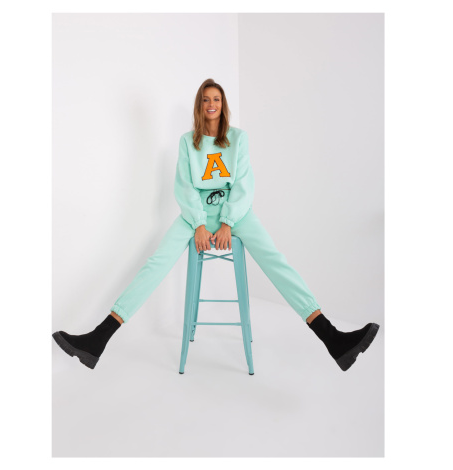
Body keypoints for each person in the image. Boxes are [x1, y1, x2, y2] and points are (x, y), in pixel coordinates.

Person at [53, 78, 380, 372]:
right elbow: (185, 186)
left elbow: (243, 185)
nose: (211, 104)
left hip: (236, 213)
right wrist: (198, 223)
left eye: (217, 99)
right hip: (194, 216)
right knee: (155, 264)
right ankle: (99, 338)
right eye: (206, 99)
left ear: (223, 105)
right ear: (199, 105)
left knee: (276, 261)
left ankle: (332, 338)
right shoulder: (187, 142)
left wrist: (227, 222)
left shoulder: (238, 139)